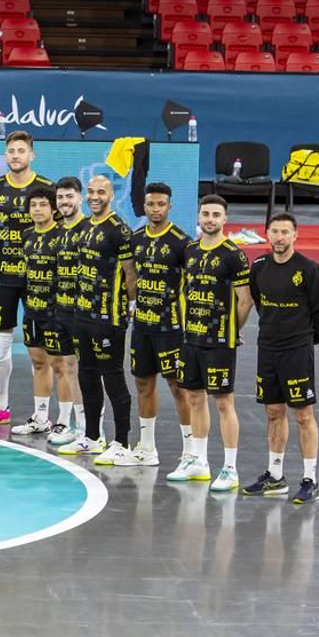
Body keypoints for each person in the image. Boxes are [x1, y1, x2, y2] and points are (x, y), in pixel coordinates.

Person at [166, 195, 253, 492]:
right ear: (199, 217)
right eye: (206, 214)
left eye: (216, 215)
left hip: (219, 343)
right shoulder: (190, 250)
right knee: (194, 397)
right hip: (191, 338)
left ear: (225, 219)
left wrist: (232, 330)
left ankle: (230, 468)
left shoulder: (233, 255)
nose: (210, 219)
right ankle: (199, 462)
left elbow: (245, 300)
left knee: (224, 402)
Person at [243, 213, 319, 504]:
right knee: (273, 411)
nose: (279, 237)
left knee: (303, 414)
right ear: (267, 234)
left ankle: (310, 480)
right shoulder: (259, 266)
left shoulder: (309, 269)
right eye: (275, 231)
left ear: (295, 235)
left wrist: (306, 340)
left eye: (285, 232)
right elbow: (259, 301)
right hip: (268, 348)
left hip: (297, 351)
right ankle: (276, 476)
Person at [0, 130, 53, 426]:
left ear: (32, 155)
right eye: (11, 151)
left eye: (21, 151)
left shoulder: (47, 188)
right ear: (5, 155)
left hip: (38, 281)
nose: (16, 156)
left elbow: (57, 232)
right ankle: (0, 406)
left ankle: (41, 414)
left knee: (40, 351)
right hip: (2, 278)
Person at [62, 176, 139, 465]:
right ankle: (92, 437)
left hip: (109, 317)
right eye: (91, 192)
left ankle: (122, 443)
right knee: (87, 375)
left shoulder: (119, 230)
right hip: (83, 314)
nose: (95, 197)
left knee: (113, 377)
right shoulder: (85, 226)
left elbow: (130, 273)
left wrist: (131, 304)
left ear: (111, 196)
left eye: (101, 192)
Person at [128, 183, 191, 467]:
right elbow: (131, 277)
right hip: (142, 326)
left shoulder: (181, 242)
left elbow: (192, 284)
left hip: (172, 328)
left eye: (161, 204)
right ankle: (147, 447)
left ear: (169, 207)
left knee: (179, 387)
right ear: (144, 206)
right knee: (143, 384)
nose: (156, 209)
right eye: (151, 204)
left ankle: (190, 452)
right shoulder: (136, 238)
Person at [16, 186, 65, 441]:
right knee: (38, 363)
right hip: (32, 309)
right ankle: (41, 418)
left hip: (56, 312)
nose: (37, 209)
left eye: (43, 204)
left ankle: (64, 422)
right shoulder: (26, 235)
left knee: (60, 366)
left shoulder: (62, 235)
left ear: (54, 209)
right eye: (33, 205)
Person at [44, 177, 87, 446]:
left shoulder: (89, 229)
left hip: (85, 313)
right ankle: (79, 427)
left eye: (70, 196)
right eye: (60, 197)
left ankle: (93, 430)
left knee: (88, 371)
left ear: (80, 198)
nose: (65, 202)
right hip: (62, 310)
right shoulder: (58, 231)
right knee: (70, 367)